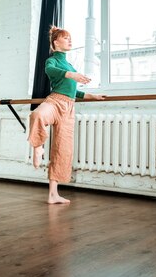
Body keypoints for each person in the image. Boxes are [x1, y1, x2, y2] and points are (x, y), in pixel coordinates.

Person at [28, 26, 105, 204]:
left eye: (70, 38)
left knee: (62, 150)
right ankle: (37, 145)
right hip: (55, 101)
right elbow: (50, 71)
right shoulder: (53, 60)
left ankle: (53, 194)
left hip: (69, 107)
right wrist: (71, 74)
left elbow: (73, 91)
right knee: (37, 115)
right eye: (66, 38)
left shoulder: (69, 64)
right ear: (56, 42)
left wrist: (93, 96)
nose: (70, 41)